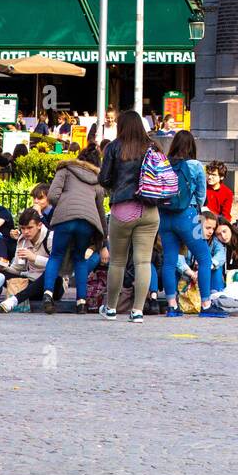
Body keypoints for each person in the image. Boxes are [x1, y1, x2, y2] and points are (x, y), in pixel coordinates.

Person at [98, 109, 159, 323]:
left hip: (123, 208)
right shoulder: (153, 146)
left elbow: (104, 179)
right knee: (143, 261)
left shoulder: (114, 147)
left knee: (117, 262)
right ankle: (138, 311)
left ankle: (112, 308)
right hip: (150, 209)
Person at [41, 145, 108, 314]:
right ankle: (81, 302)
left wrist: (64, 205)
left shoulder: (65, 170)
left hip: (65, 219)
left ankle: (48, 294)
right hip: (87, 222)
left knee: (56, 255)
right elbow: (100, 211)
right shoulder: (97, 180)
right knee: (79, 258)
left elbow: (52, 196)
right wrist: (104, 238)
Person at [158, 130, 215, 318]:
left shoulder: (164, 164)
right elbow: (201, 195)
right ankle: (206, 305)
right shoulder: (195, 165)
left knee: (169, 260)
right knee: (204, 257)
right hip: (189, 216)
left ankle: (172, 306)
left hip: (165, 217)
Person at [0, 207, 59, 311]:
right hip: (30, 282)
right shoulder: (22, 240)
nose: (26, 232)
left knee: (51, 273)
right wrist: (3, 267)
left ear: (39, 225)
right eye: (23, 228)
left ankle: (14, 300)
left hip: (52, 286)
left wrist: (34, 258)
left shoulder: (50, 238)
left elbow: (59, 265)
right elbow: (18, 269)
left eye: (29, 228)